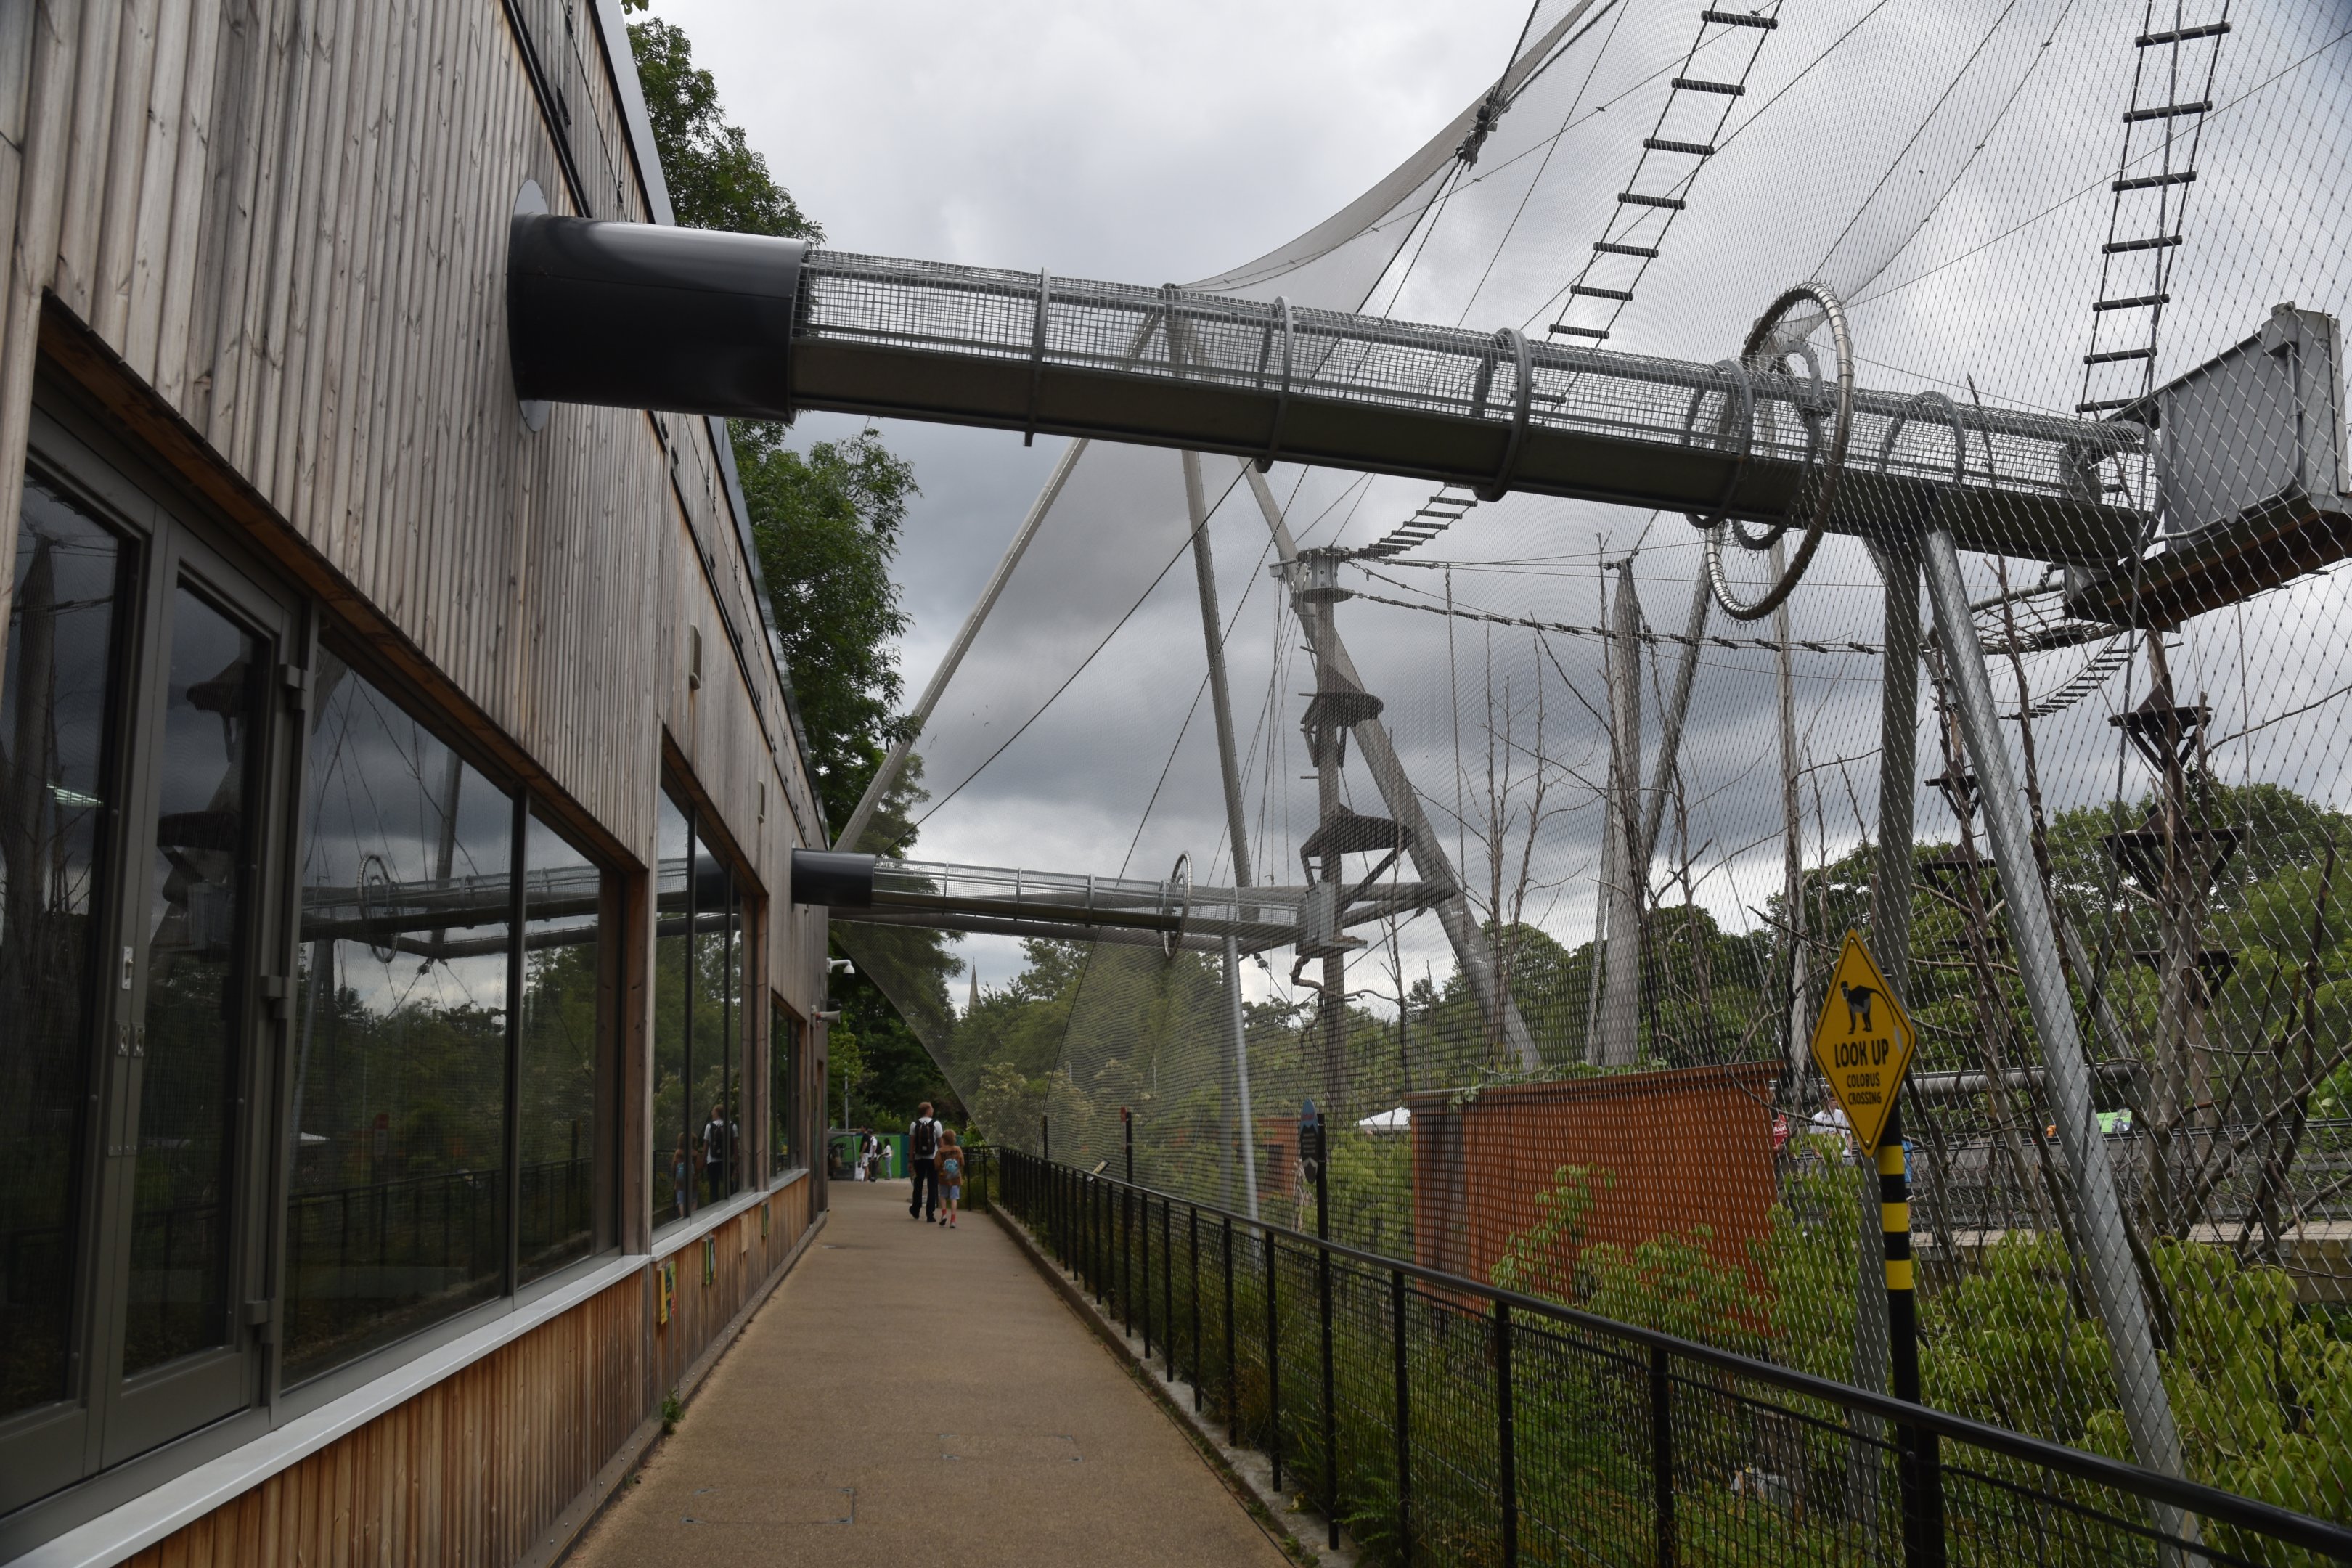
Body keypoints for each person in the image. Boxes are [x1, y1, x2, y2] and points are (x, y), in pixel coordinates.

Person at [907, 1102, 944, 1222]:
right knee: (932, 1186)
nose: (933, 1110)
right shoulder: (936, 1124)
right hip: (933, 1159)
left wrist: (911, 1161)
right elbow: (940, 1144)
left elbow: (912, 1144)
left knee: (918, 1185)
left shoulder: (914, 1124)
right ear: (928, 1110)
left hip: (918, 1159)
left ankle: (916, 1210)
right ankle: (930, 1214)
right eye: (932, 1108)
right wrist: (942, 1159)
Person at [701, 1102, 734, 1204]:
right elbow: (735, 1145)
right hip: (727, 1161)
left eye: (713, 1111)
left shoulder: (709, 1126)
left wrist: (704, 1160)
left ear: (717, 1113)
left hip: (712, 1161)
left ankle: (713, 1205)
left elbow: (706, 1145)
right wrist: (736, 1161)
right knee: (728, 1184)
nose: (712, 1113)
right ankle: (731, 1203)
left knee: (713, 1186)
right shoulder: (732, 1126)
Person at [934, 1128, 965, 1229]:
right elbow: (962, 1162)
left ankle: (944, 1214)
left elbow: (937, 1164)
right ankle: (953, 1220)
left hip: (944, 1177)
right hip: (955, 1177)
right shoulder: (958, 1149)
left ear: (944, 1139)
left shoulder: (940, 1151)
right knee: (954, 1198)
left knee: (942, 1196)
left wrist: (940, 1168)